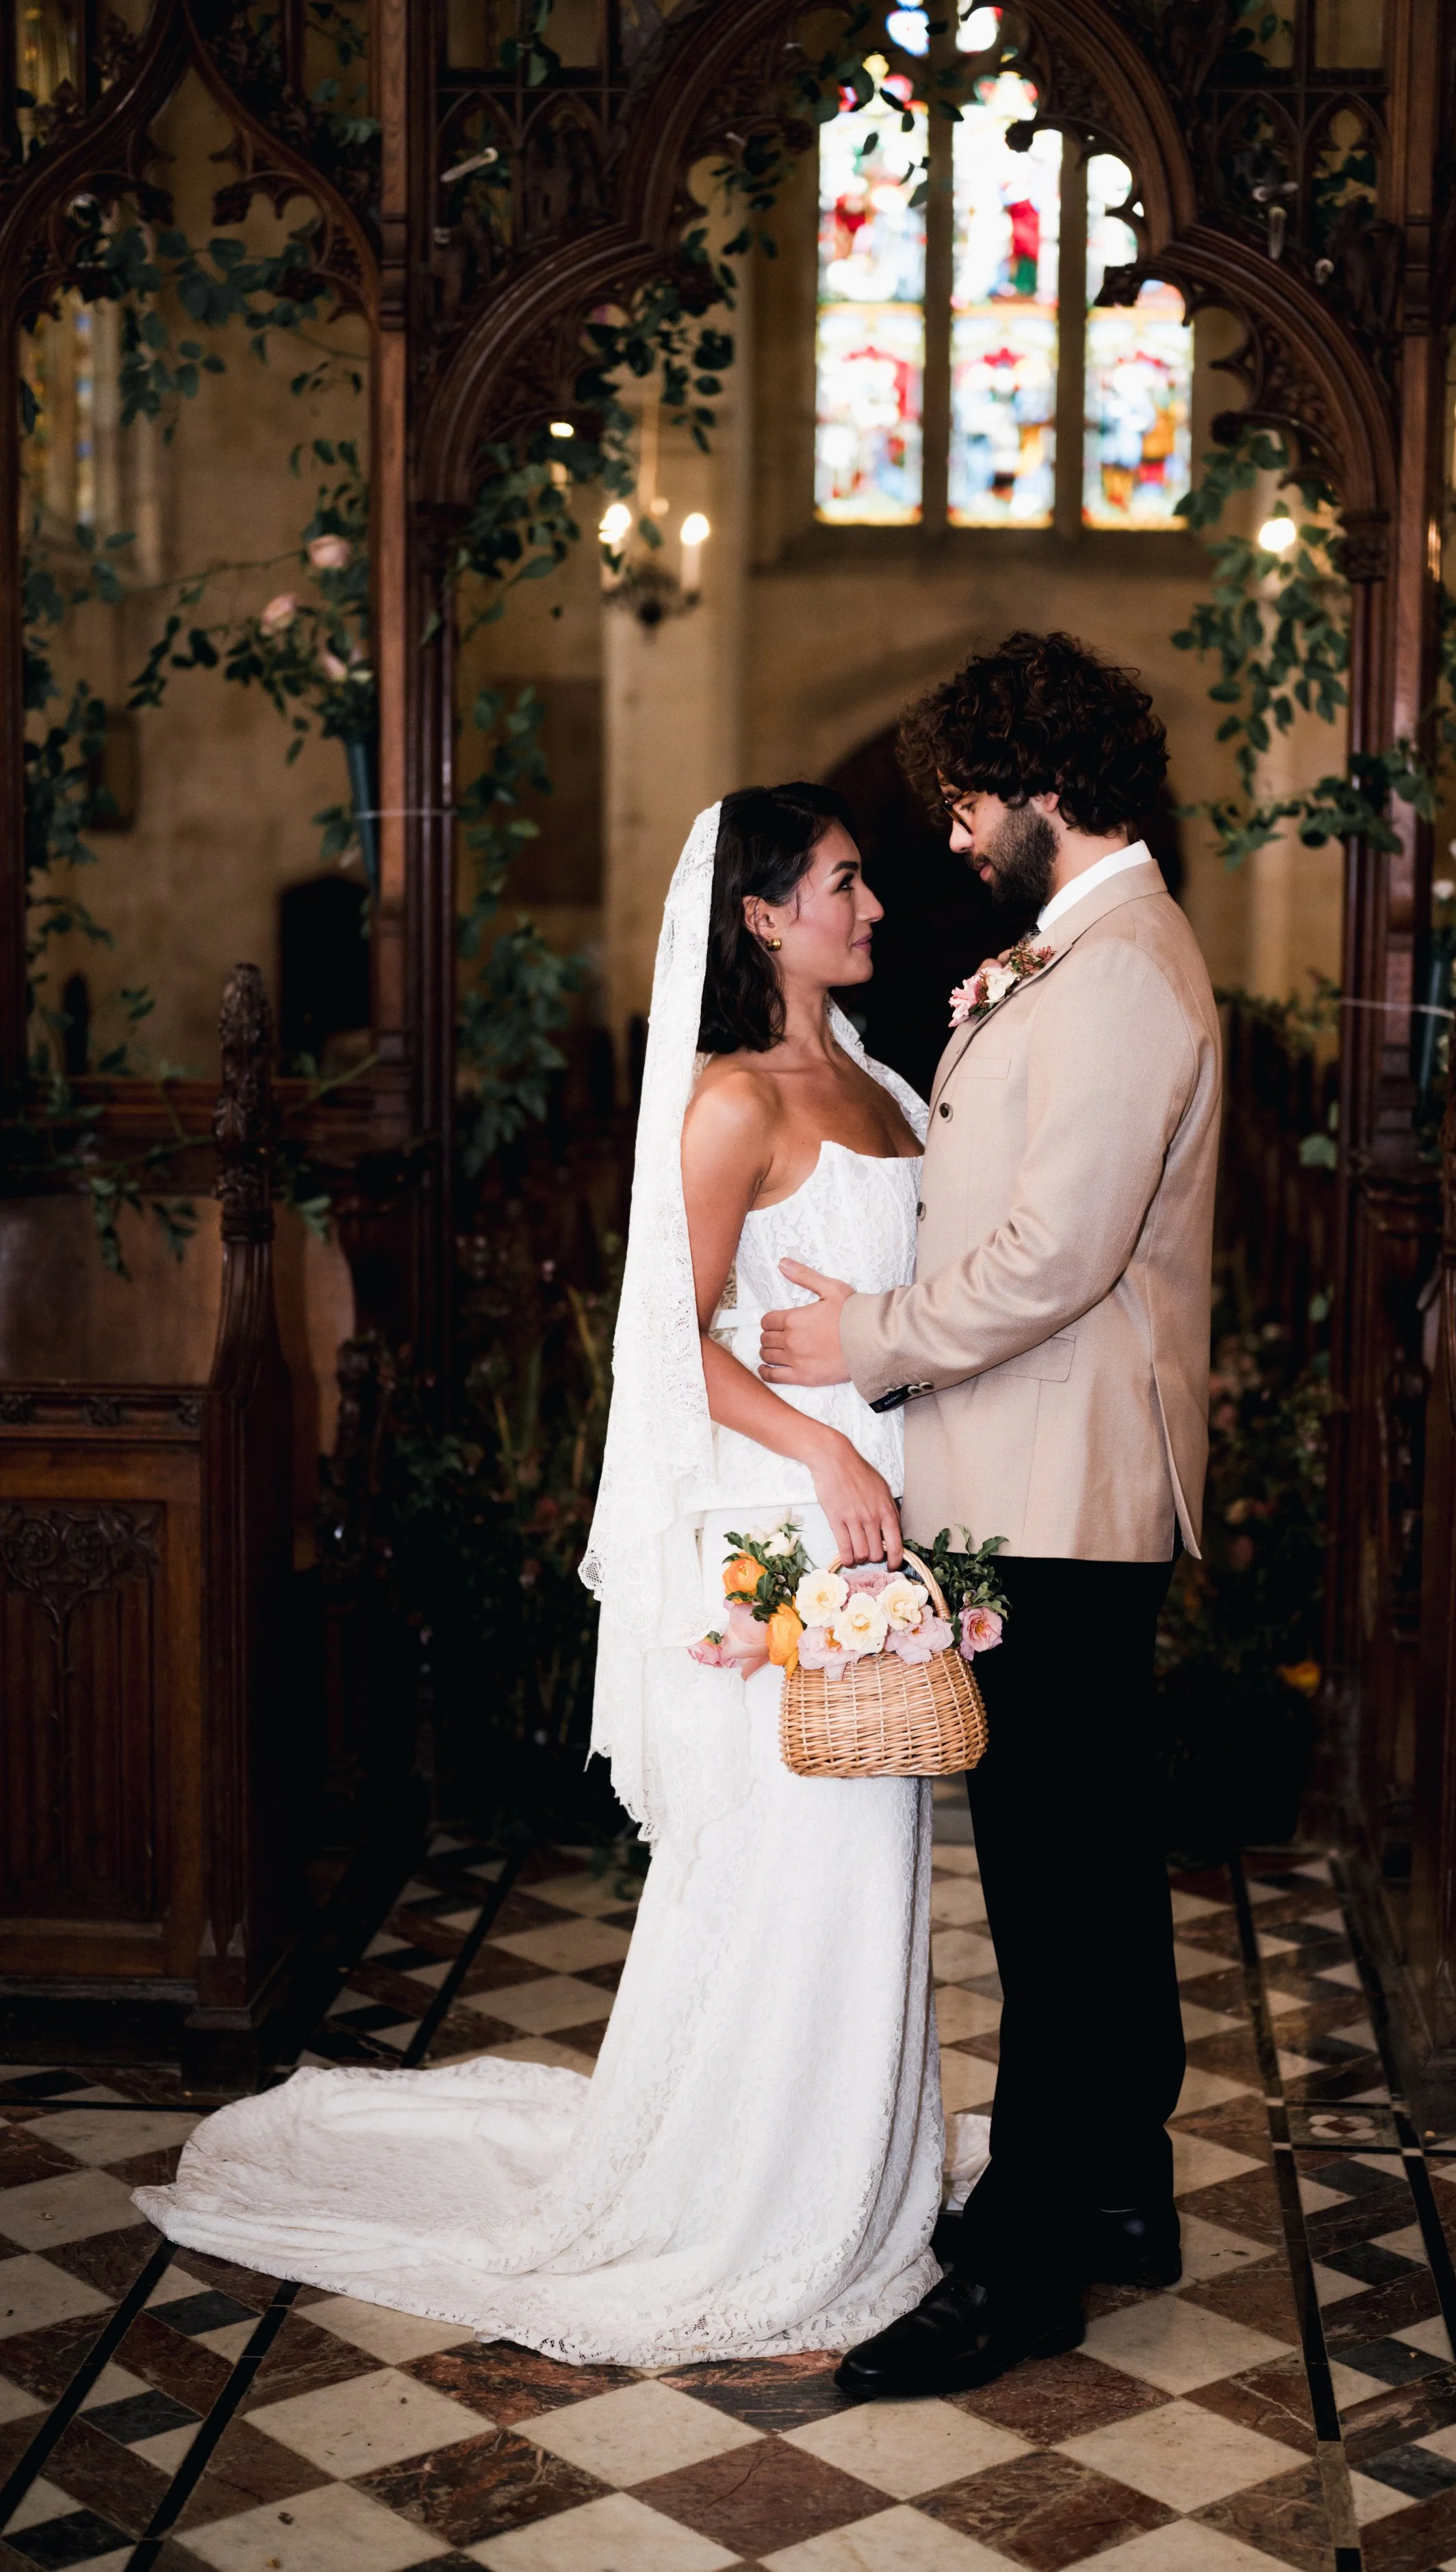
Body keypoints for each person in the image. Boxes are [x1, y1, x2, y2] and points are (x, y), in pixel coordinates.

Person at [135, 785, 945, 2368]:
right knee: (796, 1864)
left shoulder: (875, 1078)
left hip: (886, 1519)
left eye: (862, 883)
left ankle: (861, 2174)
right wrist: (830, 1454)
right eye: (843, 885)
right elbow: (671, 1346)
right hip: (791, 1518)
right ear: (763, 917)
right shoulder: (730, 1103)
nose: (870, 909)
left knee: (878, 1858)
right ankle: (747, 2200)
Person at [758, 631, 1223, 2397]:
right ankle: (1112, 2190)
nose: (952, 843)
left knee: (1050, 1886)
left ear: (1042, 795)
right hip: (1045, 1476)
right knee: (1089, 1860)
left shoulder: (1120, 978)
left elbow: (1051, 1256)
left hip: (1054, 1488)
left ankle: (1024, 2266)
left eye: (965, 809)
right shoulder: (1090, 949)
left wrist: (860, 1339)